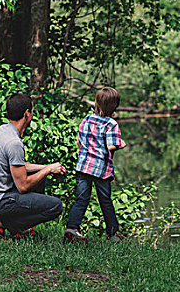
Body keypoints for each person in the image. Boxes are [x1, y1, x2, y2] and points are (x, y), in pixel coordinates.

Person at [0, 93, 66, 240]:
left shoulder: (3, 130)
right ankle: (4, 223)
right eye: (33, 111)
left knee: (40, 176)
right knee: (56, 206)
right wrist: (47, 170)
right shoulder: (14, 143)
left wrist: (45, 167)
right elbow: (23, 186)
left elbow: (18, 166)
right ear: (27, 114)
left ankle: (17, 226)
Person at [64, 87, 127, 243]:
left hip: (83, 166)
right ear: (115, 106)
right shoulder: (111, 124)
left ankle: (71, 228)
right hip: (101, 170)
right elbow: (111, 146)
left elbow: (79, 142)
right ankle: (112, 234)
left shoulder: (87, 119)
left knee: (81, 198)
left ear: (97, 103)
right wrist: (121, 144)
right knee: (105, 200)